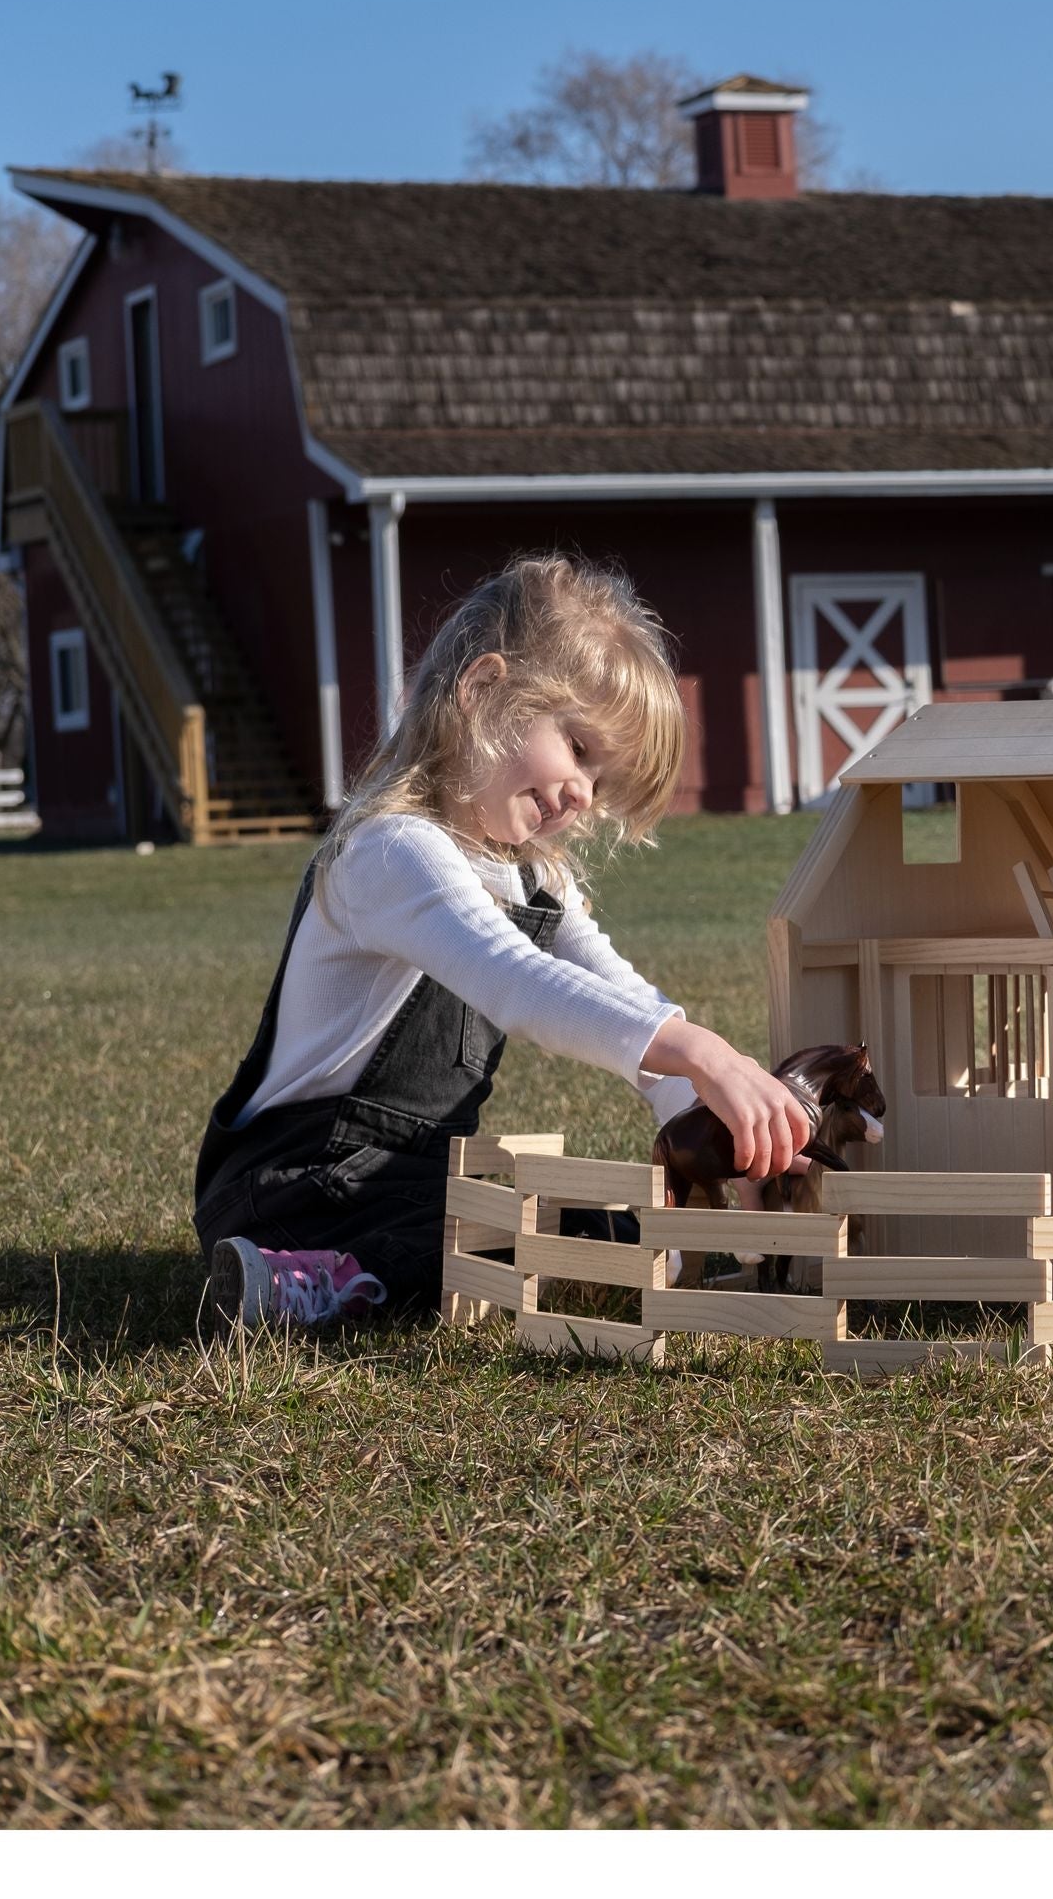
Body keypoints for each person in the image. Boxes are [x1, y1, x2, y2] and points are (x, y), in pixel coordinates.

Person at [196, 554, 811, 1327]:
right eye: (581, 749)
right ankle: (301, 1283)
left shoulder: (533, 882)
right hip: (298, 1184)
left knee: (601, 1237)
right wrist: (706, 1055)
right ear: (485, 690)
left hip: (420, 1182)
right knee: (491, 1245)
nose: (586, 794)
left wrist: (713, 1125)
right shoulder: (393, 850)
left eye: (602, 784)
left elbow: (621, 995)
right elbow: (515, 981)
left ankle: (362, 1275)